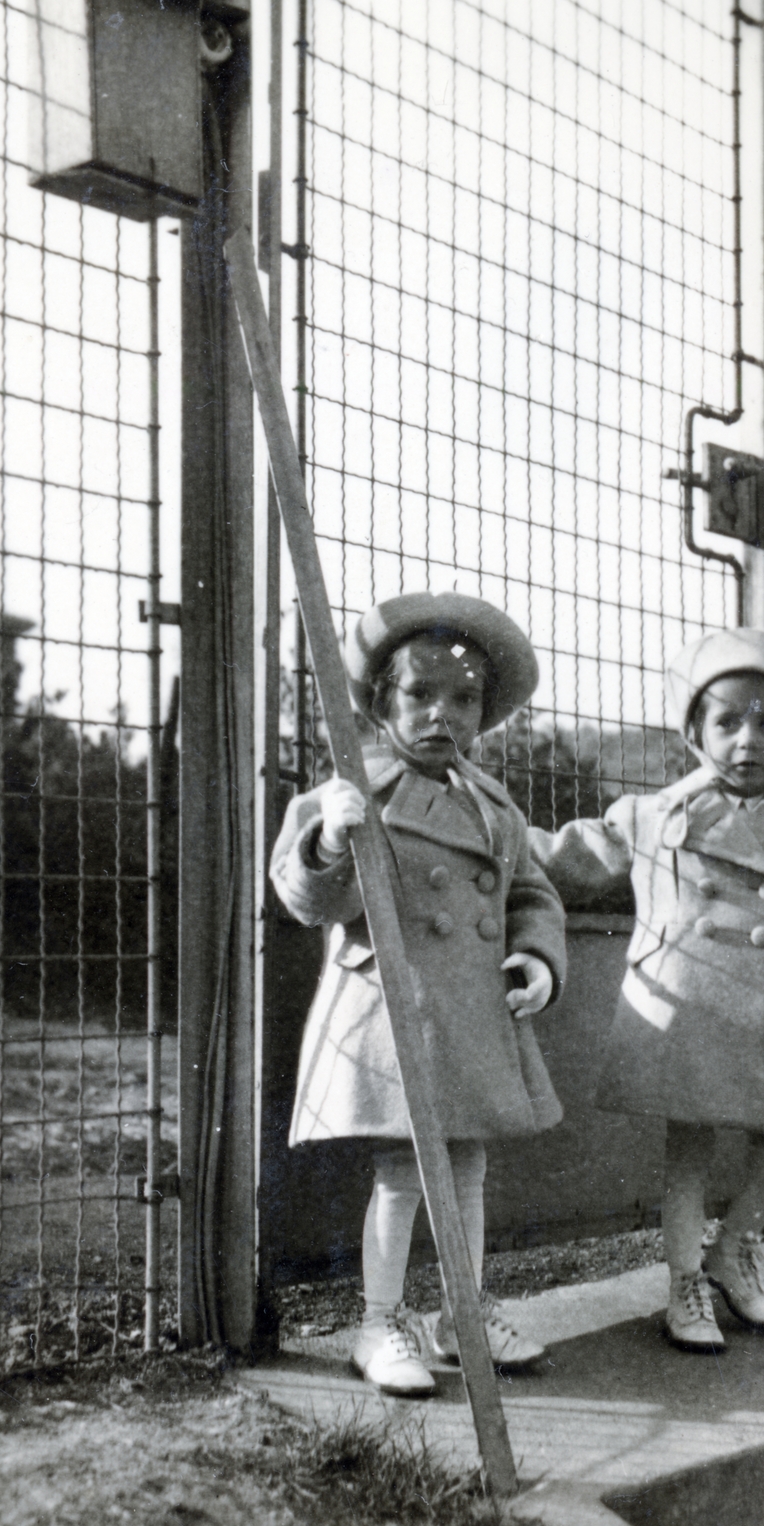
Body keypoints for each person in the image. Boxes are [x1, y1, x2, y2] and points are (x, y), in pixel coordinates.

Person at [529, 627, 764, 1352]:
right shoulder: (651, 816)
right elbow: (561, 859)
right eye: (727, 721)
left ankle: (735, 1248)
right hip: (691, 996)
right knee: (689, 1144)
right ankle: (684, 1282)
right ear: (694, 730)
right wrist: (482, 833)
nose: (747, 740)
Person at [270, 592, 566, 1395]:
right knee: (405, 1174)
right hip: (396, 1012)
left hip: (473, 1014)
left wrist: (537, 958)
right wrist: (329, 835)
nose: (443, 714)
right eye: (419, 695)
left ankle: (461, 1311)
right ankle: (381, 1320)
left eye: (463, 698)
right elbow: (305, 899)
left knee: (465, 1171)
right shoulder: (358, 787)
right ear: (378, 701)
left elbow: (529, 892)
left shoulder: (493, 803)